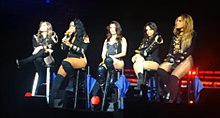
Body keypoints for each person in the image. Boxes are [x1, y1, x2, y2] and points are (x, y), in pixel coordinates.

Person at [49, 18, 89, 106]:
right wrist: (65, 39)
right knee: (58, 78)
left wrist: (70, 45)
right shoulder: (71, 36)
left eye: (72, 26)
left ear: (77, 27)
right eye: (70, 26)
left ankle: (72, 80)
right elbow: (63, 49)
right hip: (68, 60)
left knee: (65, 62)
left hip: (80, 59)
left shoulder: (84, 36)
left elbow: (82, 50)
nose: (70, 28)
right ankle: (50, 100)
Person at [157, 14, 197, 103]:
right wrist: (169, 59)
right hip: (174, 58)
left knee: (173, 77)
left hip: (186, 59)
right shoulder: (175, 36)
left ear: (186, 22)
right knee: (160, 70)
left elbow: (190, 50)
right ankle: (174, 91)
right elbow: (171, 50)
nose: (177, 22)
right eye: (176, 20)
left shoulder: (192, 34)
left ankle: (171, 100)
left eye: (180, 21)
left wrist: (178, 61)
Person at [91, 20, 127, 110]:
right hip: (108, 60)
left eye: (114, 28)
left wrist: (113, 57)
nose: (112, 29)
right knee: (100, 68)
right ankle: (104, 92)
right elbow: (103, 54)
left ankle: (112, 78)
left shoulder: (122, 39)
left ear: (117, 29)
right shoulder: (106, 40)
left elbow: (123, 53)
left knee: (109, 60)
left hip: (117, 60)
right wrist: (104, 60)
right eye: (111, 28)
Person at [16, 21, 58, 94]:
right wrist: (43, 48)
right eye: (41, 25)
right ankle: (41, 77)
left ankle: (23, 62)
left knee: (42, 51)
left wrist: (41, 47)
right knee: (38, 57)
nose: (41, 26)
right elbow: (35, 49)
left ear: (48, 27)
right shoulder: (35, 37)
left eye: (44, 25)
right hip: (39, 57)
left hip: (48, 58)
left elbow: (51, 47)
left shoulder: (53, 36)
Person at [131, 22, 164, 92]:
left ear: (154, 29)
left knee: (137, 63)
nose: (148, 32)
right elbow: (139, 50)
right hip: (143, 61)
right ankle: (141, 81)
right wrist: (137, 55)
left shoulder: (158, 38)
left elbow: (147, 51)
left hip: (153, 61)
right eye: (147, 30)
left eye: (150, 29)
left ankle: (141, 81)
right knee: (138, 61)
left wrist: (138, 54)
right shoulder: (144, 40)